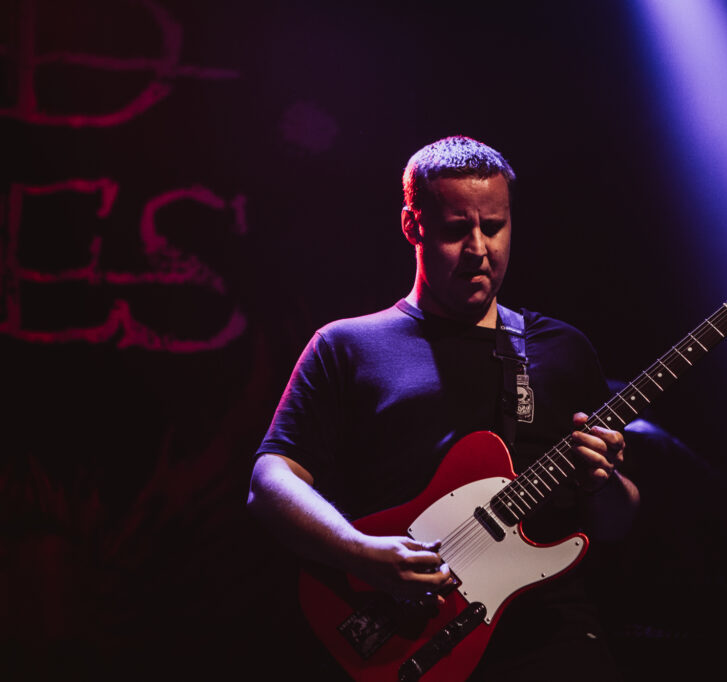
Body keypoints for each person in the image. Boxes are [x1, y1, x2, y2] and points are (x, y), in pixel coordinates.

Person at [247, 135, 640, 680]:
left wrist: (604, 482)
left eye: (494, 227)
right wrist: (359, 552)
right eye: (457, 230)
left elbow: (617, 524)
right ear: (413, 226)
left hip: (552, 640)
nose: (479, 248)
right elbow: (270, 480)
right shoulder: (347, 346)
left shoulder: (563, 349)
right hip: (413, 637)